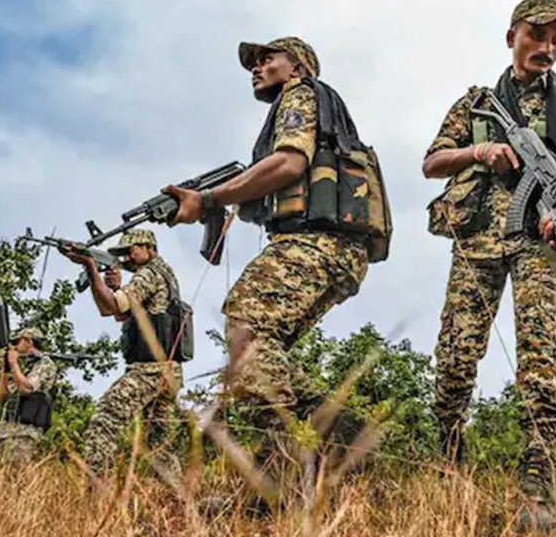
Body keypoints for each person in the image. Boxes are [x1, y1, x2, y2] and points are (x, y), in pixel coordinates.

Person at [164, 36, 390, 477]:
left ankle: (276, 480)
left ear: (297, 68)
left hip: (318, 241)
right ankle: (346, 433)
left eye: (268, 59)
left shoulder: (299, 95)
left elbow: (288, 163)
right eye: (255, 62)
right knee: (266, 349)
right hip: (331, 246)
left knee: (246, 329)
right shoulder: (316, 107)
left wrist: (207, 199)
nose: (257, 67)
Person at [421, 0, 556, 532]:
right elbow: (431, 162)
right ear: (511, 37)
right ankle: (450, 464)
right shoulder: (475, 103)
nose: (548, 48)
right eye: (537, 36)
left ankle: (537, 486)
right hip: (475, 241)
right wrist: (481, 153)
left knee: (542, 363)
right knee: (453, 362)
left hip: (537, 245)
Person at [60, 229, 184, 490]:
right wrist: (115, 286)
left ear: (149, 248)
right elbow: (126, 315)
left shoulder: (149, 274)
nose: (127, 257)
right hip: (168, 371)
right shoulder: (164, 273)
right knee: (158, 444)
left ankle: (95, 494)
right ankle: (178, 502)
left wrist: (91, 268)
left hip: (150, 370)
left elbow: (110, 308)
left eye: (132, 250)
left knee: (106, 418)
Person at [0, 327, 58, 463]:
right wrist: (4, 372)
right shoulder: (23, 368)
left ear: (28, 341)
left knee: (17, 474)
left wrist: (14, 364)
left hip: (25, 432)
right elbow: (2, 398)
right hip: (6, 431)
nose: (15, 347)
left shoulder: (45, 364)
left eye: (17, 342)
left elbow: (27, 388)